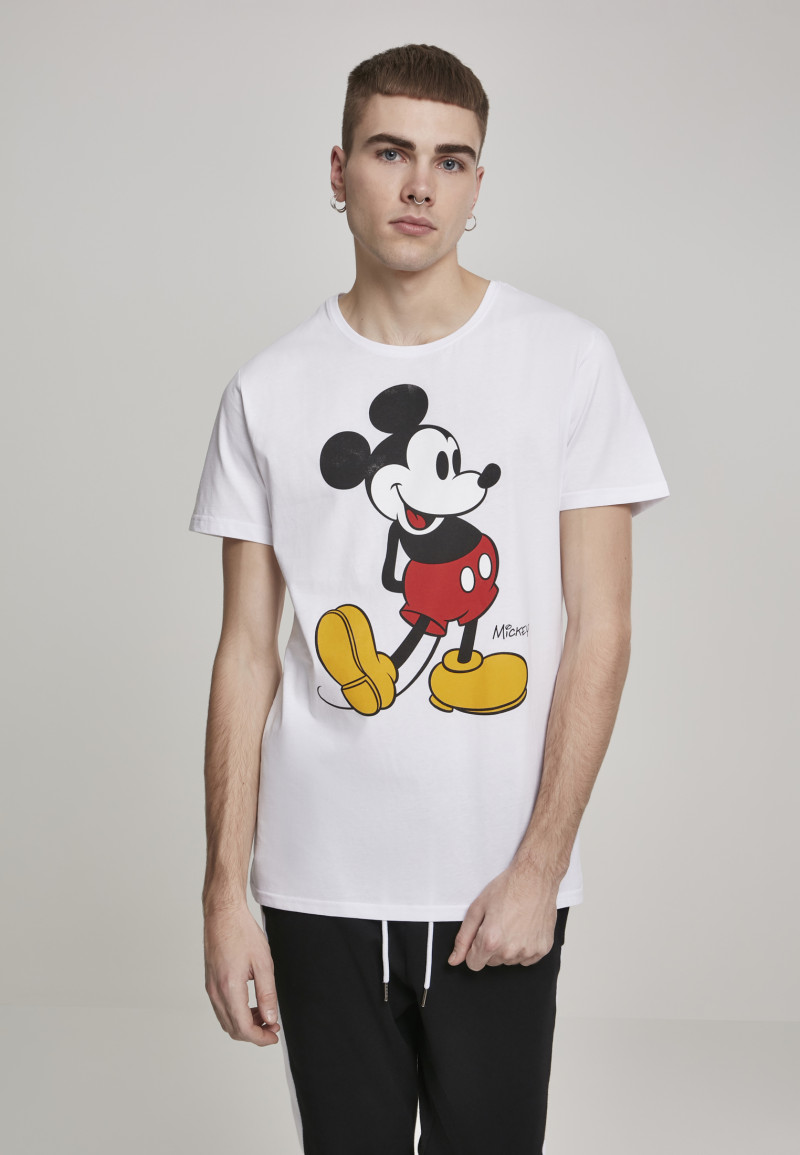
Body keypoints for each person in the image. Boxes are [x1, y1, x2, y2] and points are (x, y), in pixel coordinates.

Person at [188, 43, 669, 1155]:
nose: (419, 186)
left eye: (450, 161)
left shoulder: (566, 362)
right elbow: (246, 652)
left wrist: (540, 867)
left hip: (495, 882)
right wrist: (222, 895)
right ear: (338, 168)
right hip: (314, 882)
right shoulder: (268, 390)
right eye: (390, 152)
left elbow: (600, 627)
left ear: (477, 183)